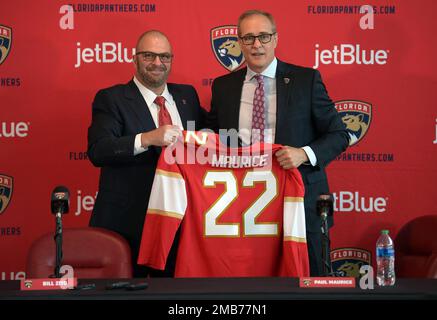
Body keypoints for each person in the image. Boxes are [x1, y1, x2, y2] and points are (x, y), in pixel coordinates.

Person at [207, 10, 349, 276]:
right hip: (245, 204)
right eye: (248, 38)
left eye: (263, 36)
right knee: (252, 281)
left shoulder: (306, 80)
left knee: (310, 277)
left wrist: (304, 154)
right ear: (239, 42)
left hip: (299, 198)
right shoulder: (223, 86)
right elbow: (217, 137)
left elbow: (339, 134)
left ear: (275, 39)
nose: (256, 44)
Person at [87, 30, 204, 277]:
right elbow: (99, 150)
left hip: (181, 220)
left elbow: (213, 135)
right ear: (135, 58)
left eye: (164, 57)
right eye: (149, 55)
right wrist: (149, 138)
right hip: (128, 222)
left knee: (177, 293)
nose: (157, 63)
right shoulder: (112, 98)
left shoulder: (187, 96)